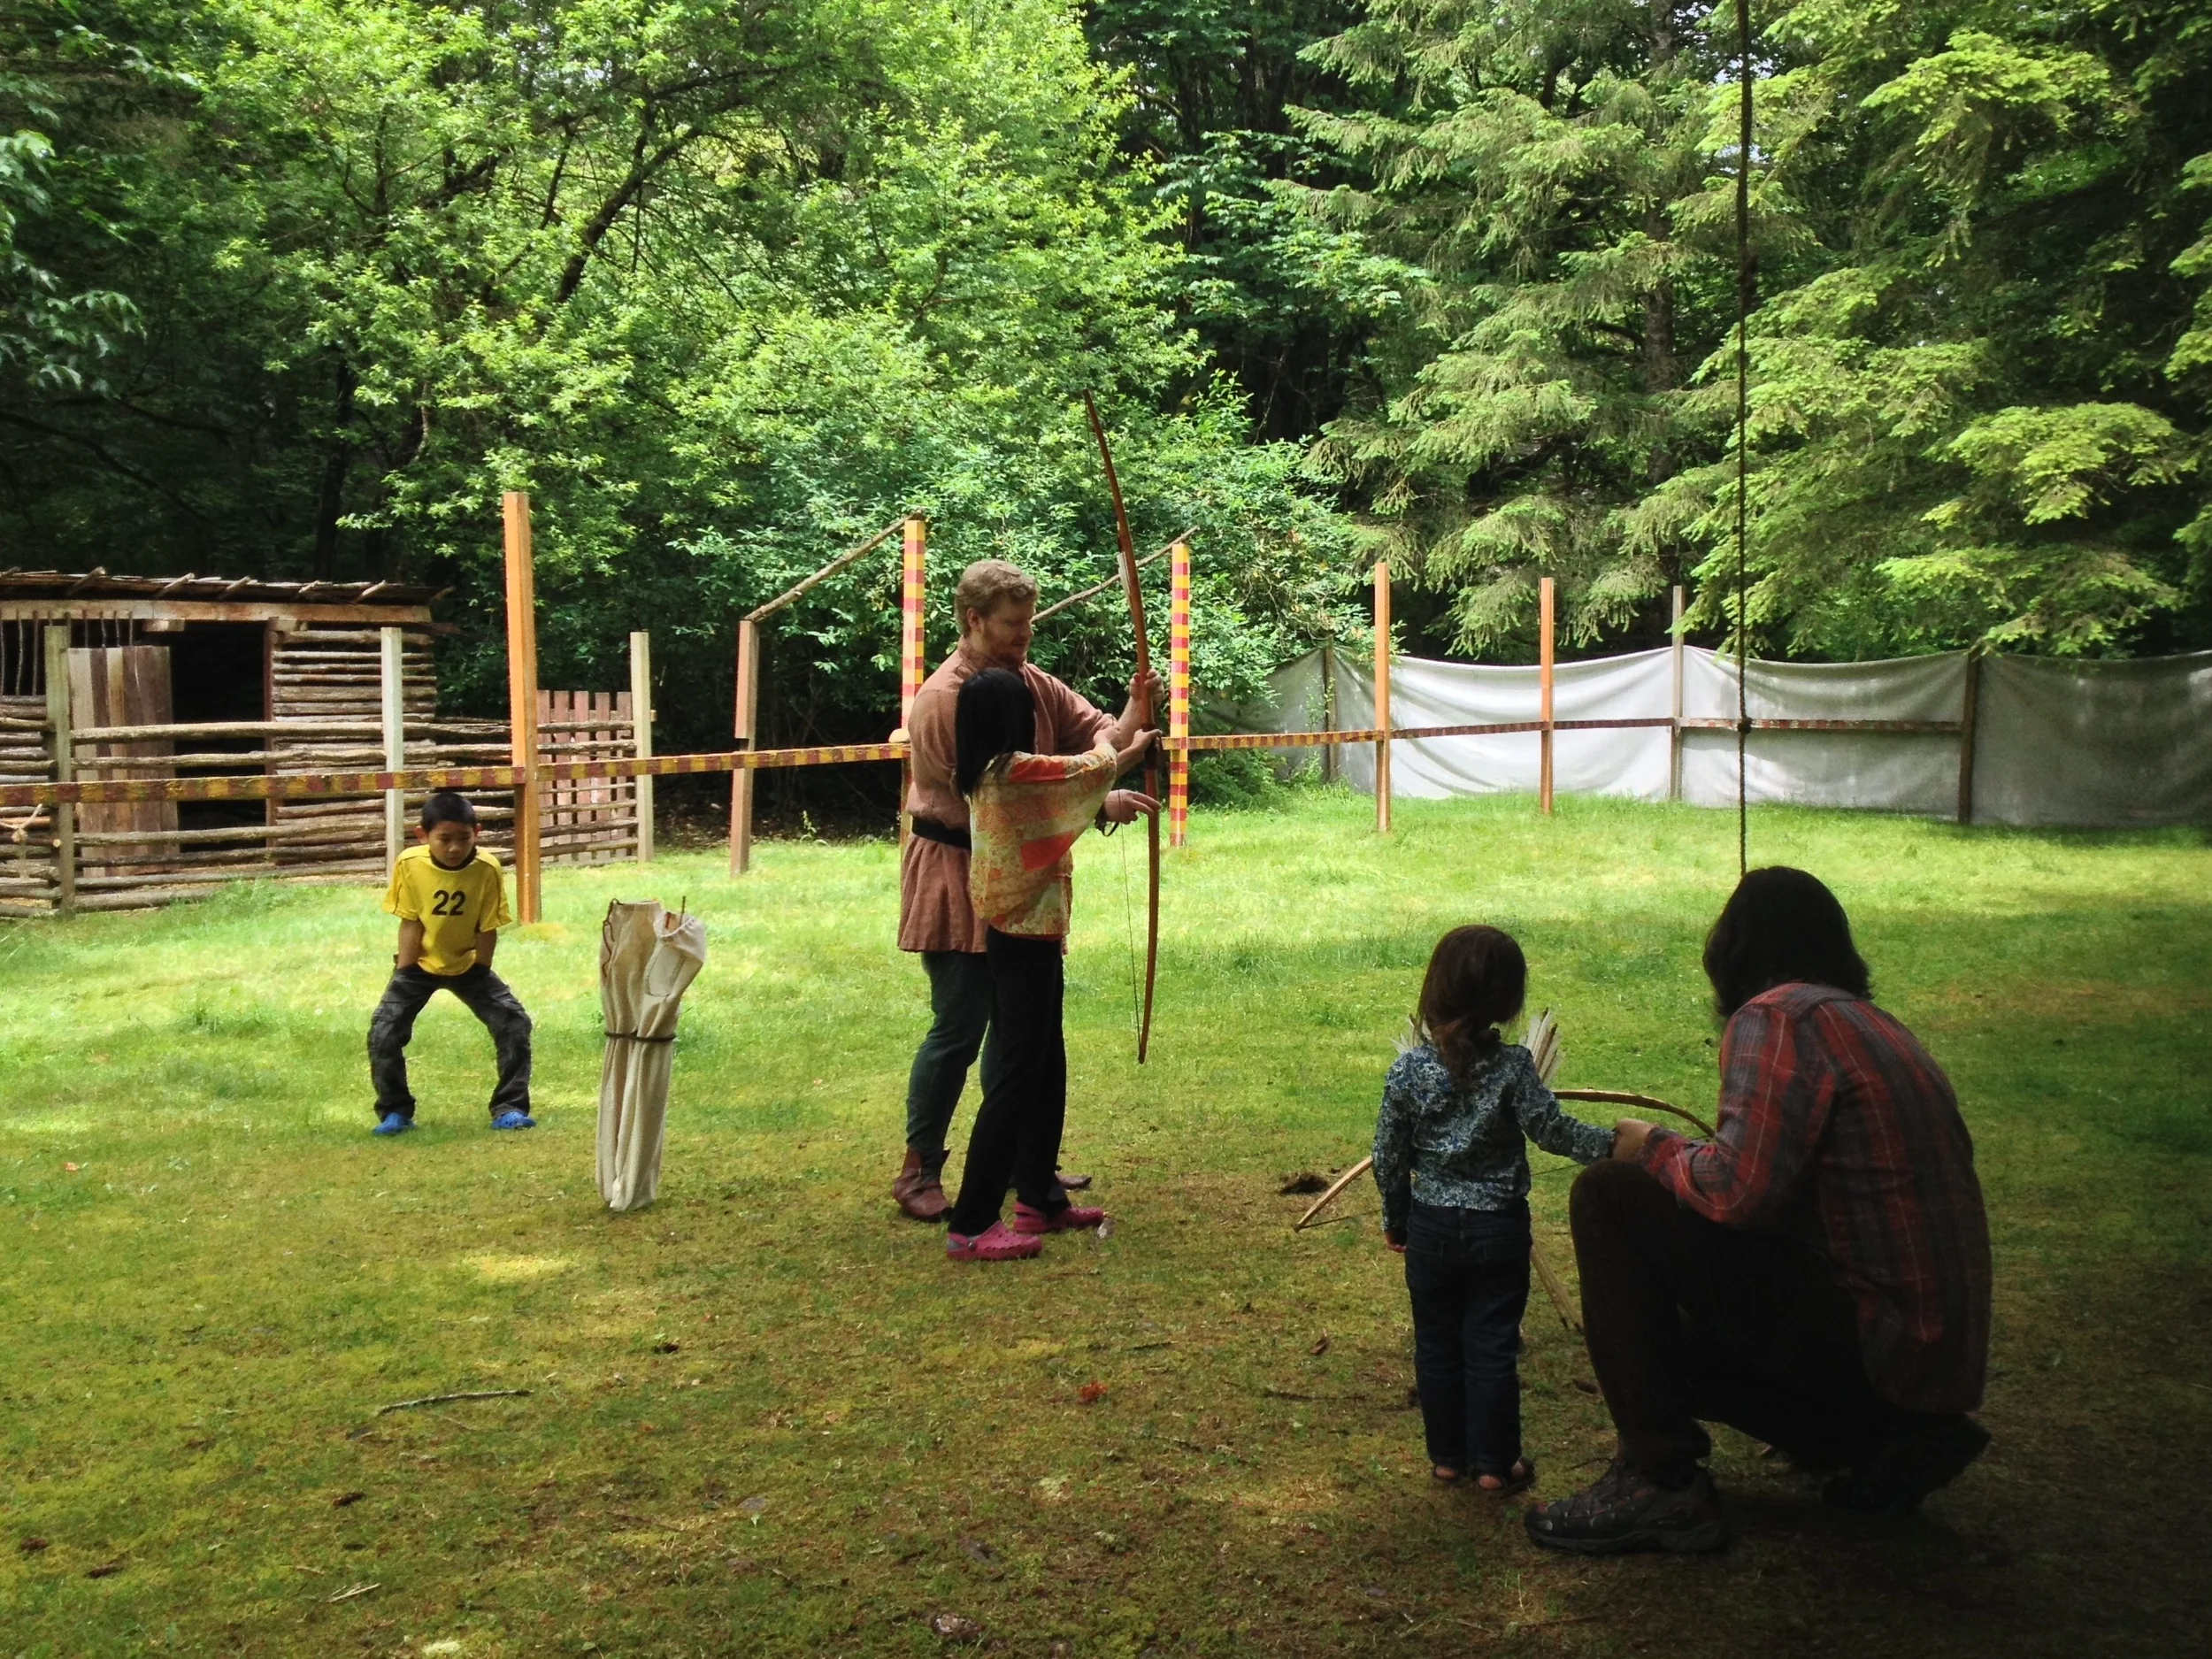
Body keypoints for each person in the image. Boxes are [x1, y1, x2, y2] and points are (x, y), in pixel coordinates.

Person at [1525, 867, 1992, 1555]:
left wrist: (1650, 1147)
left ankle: (1659, 1479)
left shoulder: (1778, 1016)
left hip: (1876, 1342)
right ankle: (1890, 1441)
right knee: (1665, 1330)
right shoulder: (1877, 1027)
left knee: (1608, 1193)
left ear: (1732, 952)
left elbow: (1738, 1193)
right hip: (1928, 1368)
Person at [890, 557, 1157, 1221]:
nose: (1023, 635)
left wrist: (1132, 709)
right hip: (958, 868)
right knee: (961, 1022)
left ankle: (1017, 1160)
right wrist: (1101, 792)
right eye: (1011, 624)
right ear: (974, 620)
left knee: (1020, 1034)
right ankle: (920, 1165)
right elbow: (1002, 800)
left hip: (1023, 870)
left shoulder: (1027, 680)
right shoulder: (946, 698)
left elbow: (1098, 737)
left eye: (1028, 622)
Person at [1373, 926, 1617, 1491]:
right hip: (1498, 1232)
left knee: (1436, 1343)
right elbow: (1553, 1131)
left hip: (1431, 1229)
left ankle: (1448, 1459)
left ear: (1433, 992)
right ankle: (1496, 1466)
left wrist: (1396, 1216)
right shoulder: (1513, 1068)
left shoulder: (1410, 1070)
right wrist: (1611, 1146)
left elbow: (1388, 1152)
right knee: (1491, 1346)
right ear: (1507, 1002)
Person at [941, 668, 1155, 1261]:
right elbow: (1093, 765)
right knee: (1015, 1079)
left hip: (1029, 934)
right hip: (1022, 938)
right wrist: (1132, 736)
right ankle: (973, 1222)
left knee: (1043, 1067)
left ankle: (1038, 1197)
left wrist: (1132, 712)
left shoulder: (992, 771)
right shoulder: (1010, 773)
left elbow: (1087, 772)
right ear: (1011, 720)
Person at [367, 791, 535, 1135]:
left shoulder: (487, 869)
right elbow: (411, 921)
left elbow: (488, 926)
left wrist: (481, 968)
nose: (455, 848)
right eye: (444, 839)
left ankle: (510, 1107)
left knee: (514, 1023)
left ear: (478, 832)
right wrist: (405, 971)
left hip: (469, 962)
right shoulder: (409, 865)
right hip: (419, 964)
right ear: (422, 836)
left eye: (464, 838)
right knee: (385, 1031)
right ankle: (394, 1112)